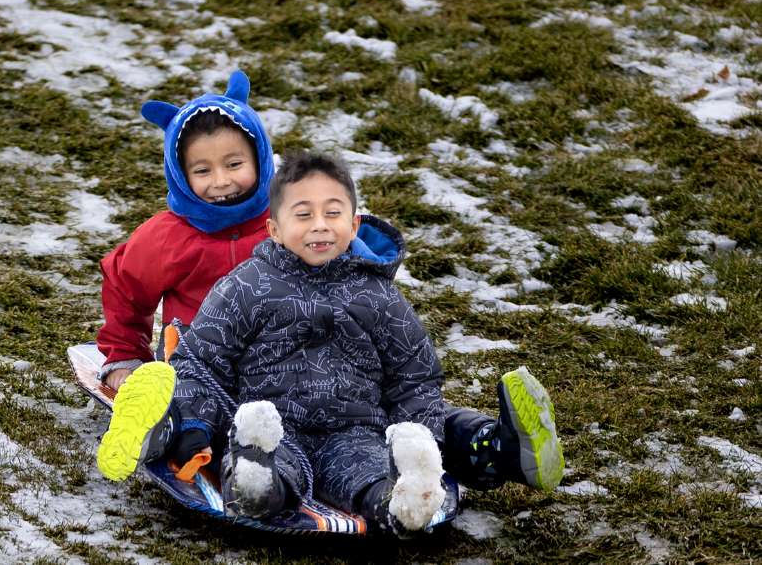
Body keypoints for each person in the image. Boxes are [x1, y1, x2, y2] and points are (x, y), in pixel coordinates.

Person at [97, 152, 564, 536]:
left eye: (333, 213)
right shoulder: (247, 286)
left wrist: (422, 437)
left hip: (354, 427)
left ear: (354, 224)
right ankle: (246, 472)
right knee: (270, 460)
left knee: (366, 474)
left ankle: (404, 500)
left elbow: (414, 374)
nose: (320, 225)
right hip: (272, 420)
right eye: (303, 215)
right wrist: (197, 410)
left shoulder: (378, 296)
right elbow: (203, 359)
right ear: (274, 229)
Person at [95, 70, 275, 392]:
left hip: (281, 359)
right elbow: (126, 287)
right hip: (194, 362)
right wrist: (125, 356)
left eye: (234, 164)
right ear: (180, 174)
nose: (221, 181)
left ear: (259, 158)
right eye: (203, 170)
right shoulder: (168, 237)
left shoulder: (287, 221)